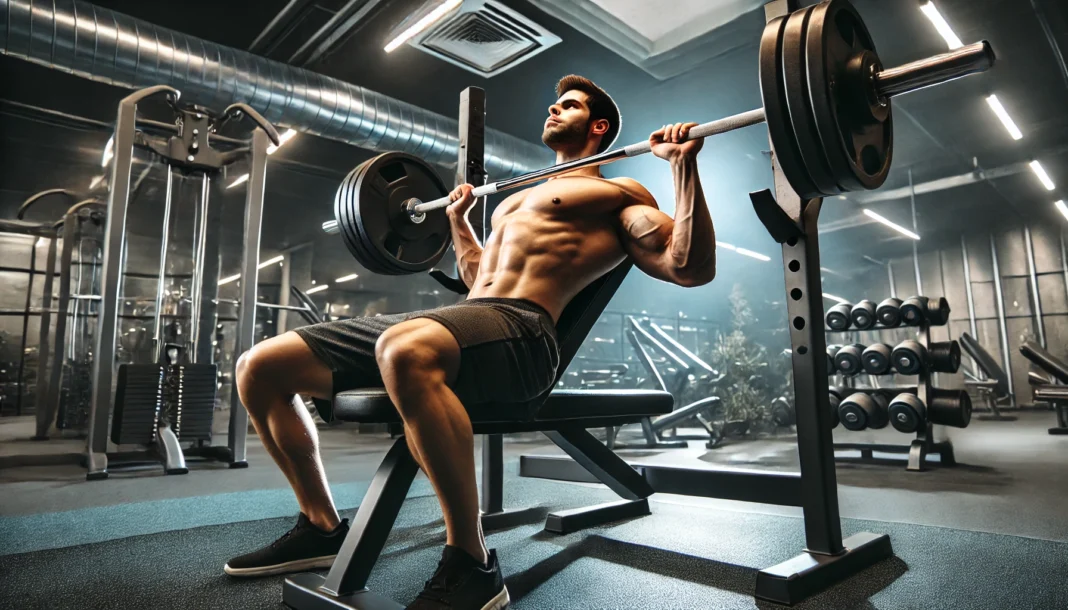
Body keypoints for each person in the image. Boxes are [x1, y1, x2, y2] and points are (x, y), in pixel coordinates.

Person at [224, 74, 716, 610]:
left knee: (405, 347)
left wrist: (682, 166)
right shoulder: (513, 200)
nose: (553, 109)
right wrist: (458, 222)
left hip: (525, 331)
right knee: (260, 365)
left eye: (568, 105)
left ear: (598, 127)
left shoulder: (620, 194)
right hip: (468, 317)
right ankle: (321, 527)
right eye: (553, 103)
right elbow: (479, 277)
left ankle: (472, 561)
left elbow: (687, 266)